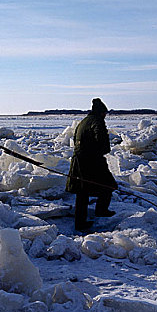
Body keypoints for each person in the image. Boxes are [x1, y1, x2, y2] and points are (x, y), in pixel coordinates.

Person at [66, 98, 118, 231]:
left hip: (79, 160)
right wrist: (103, 149)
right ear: (101, 112)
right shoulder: (97, 121)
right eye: (105, 113)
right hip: (91, 161)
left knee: (82, 192)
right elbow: (102, 141)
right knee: (108, 185)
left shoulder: (83, 121)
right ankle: (101, 211)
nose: (105, 116)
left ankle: (81, 222)